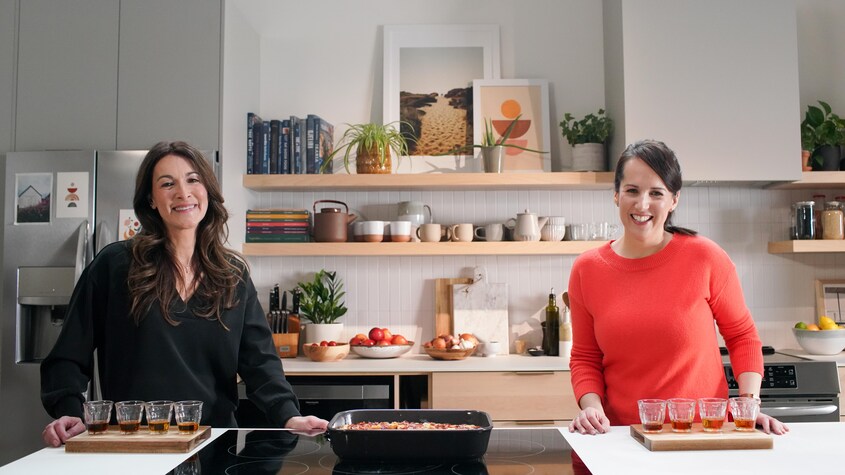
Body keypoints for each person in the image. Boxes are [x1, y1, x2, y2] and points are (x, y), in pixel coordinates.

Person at [41, 141, 327, 447]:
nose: (183, 193)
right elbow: (68, 356)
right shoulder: (114, 265)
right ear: (151, 199)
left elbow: (259, 362)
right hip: (133, 444)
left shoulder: (232, 274)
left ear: (207, 190)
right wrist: (68, 411)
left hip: (213, 442)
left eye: (193, 180)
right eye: (167, 184)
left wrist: (289, 415)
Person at [568, 139, 788, 437]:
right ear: (616, 195)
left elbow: (742, 336)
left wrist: (748, 406)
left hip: (703, 435)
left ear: (674, 200)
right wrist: (591, 408)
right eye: (632, 190)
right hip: (622, 438)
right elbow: (585, 356)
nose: (642, 204)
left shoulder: (706, 257)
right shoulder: (587, 269)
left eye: (656, 193)